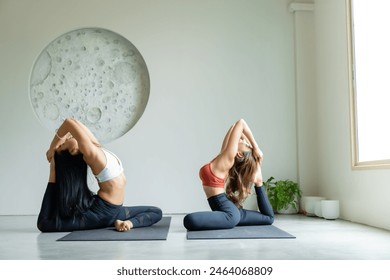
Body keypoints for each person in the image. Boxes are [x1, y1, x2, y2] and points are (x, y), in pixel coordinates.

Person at [37, 118, 162, 232]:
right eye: (64, 144)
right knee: (45, 224)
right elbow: (69, 123)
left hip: (112, 210)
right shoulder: (90, 153)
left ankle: (126, 223)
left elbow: (74, 121)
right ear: (72, 151)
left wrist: (58, 144)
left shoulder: (94, 145)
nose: (67, 138)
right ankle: (124, 224)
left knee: (156, 211)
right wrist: (52, 149)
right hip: (101, 211)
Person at [183, 119, 274, 231]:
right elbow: (235, 126)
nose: (243, 141)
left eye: (245, 145)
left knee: (189, 220)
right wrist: (251, 146)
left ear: (239, 154)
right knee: (268, 218)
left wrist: (256, 147)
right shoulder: (224, 155)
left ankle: (259, 182)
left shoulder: (228, 158)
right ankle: (258, 181)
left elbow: (241, 123)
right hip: (229, 211)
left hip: (230, 215)